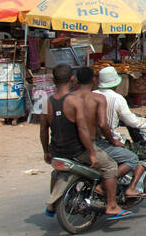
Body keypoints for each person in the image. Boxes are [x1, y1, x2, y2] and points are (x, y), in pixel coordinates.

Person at [40, 63, 128, 219]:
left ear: (54, 80)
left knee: (56, 172)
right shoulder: (74, 101)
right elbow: (83, 130)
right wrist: (92, 154)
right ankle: (112, 205)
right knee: (110, 166)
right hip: (77, 151)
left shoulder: (45, 102)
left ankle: (52, 205)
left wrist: (46, 151)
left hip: (56, 150)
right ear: (72, 79)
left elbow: (43, 130)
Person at [94, 65, 146, 198]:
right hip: (107, 141)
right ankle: (131, 187)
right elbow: (133, 122)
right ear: (115, 83)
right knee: (142, 155)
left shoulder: (92, 94)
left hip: (92, 139)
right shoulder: (117, 99)